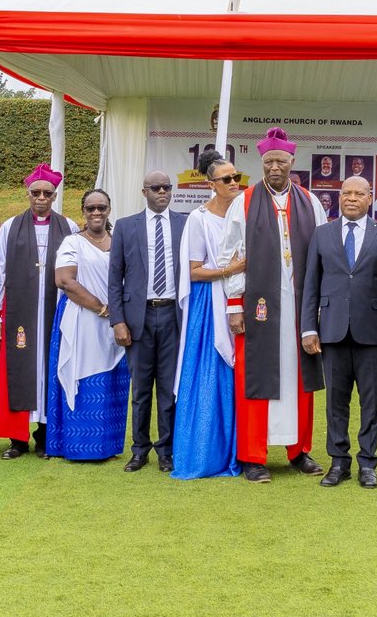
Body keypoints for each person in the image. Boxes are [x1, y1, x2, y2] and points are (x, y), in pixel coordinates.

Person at [230, 129, 327, 482]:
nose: (274, 167)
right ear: (262, 162)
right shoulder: (244, 201)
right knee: (254, 376)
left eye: (280, 161)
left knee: (300, 375)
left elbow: (322, 254)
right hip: (259, 305)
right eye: (268, 161)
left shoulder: (310, 202)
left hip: (300, 303)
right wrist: (234, 305)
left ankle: (299, 451)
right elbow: (232, 255)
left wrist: (319, 307)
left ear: (291, 162)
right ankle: (253, 456)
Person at [299, 176, 377, 488]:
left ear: (370, 198)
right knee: (336, 400)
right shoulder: (322, 234)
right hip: (332, 331)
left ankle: (368, 463)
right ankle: (339, 462)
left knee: (371, 401)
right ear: (340, 197)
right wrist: (308, 328)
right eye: (346, 193)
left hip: (372, 332)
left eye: (359, 193)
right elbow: (311, 284)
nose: (352, 198)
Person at [108, 171, 187, 473]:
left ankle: (166, 451)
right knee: (141, 390)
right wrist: (118, 320)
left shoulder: (185, 223)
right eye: (156, 188)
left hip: (173, 315)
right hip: (137, 316)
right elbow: (115, 278)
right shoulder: (126, 226)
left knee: (169, 388)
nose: (162, 192)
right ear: (144, 192)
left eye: (166, 187)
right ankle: (139, 450)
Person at [0, 165, 73, 458]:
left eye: (47, 193)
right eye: (35, 192)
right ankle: (17, 439)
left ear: (55, 196)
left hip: (55, 308)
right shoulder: (9, 227)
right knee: (20, 368)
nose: (41, 198)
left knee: (50, 367)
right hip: (20, 310)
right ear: (27, 193)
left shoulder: (69, 227)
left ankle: (45, 435)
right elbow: (0, 272)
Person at [174, 157, 244, 480]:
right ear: (210, 184)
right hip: (209, 303)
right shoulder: (198, 220)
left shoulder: (244, 213)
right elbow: (194, 271)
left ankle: (241, 450)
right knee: (209, 374)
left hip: (241, 298)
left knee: (239, 376)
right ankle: (204, 452)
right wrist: (230, 270)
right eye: (226, 179)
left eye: (236, 177)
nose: (233, 183)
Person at [47, 190, 130, 461]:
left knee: (112, 382)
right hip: (82, 319)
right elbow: (64, 280)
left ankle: (108, 446)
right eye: (91, 208)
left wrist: (117, 315)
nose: (96, 212)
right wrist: (101, 308)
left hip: (116, 323)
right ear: (83, 211)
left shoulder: (120, 241)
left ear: (109, 210)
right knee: (81, 377)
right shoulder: (73, 242)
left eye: (101, 207)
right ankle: (76, 446)